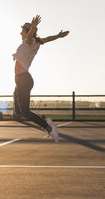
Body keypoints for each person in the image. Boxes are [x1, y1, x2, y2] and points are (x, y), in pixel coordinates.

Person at [13, 15, 69, 143]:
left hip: (24, 80)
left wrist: (32, 27)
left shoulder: (30, 42)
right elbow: (47, 39)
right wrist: (58, 36)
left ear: (27, 32)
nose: (20, 32)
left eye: (23, 30)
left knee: (25, 112)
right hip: (19, 80)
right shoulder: (31, 42)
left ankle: (49, 128)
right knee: (18, 111)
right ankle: (45, 122)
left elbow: (30, 37)